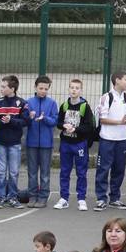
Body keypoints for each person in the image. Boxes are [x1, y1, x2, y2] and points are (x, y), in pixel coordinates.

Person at [55, 77, 97, 211]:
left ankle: (81, 198)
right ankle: (64, 198)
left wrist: (76, 129)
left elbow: (89, 126)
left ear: (81, 90)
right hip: (66, 143)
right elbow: (58, 122)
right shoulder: (64, 106)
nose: (74, 90)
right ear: (68, 89)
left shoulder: (85, 107)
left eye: (77, 88)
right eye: (72, 87)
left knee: (81, 172)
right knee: (65, 171)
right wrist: (64, 126)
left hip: (79, 144)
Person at [94, 71, 126, 210]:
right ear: (117, 80)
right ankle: (101, 198)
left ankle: (115, 198)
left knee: (119, 169)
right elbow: (102, 119)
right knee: (103, 168)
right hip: (107, 139)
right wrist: (118, 122)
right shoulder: (106, 97)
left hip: (122, 139)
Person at [0, 74, 26, 207]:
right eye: (1, 86)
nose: (1, 89)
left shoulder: (21, 103)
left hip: (15, 143)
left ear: (12, 88)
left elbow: (25, 121)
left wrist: (12, 121)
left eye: (4, 87)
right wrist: (1, 122)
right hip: (1, 143)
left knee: (14, 171)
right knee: (1, 171)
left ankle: (13, 197)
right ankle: (0, 197)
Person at [24, 75, 58, 207]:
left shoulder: (52, 103)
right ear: (35, 87)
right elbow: (25, 119)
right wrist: (29, 116)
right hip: (31, 142)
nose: (43, 91)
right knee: (32, 172)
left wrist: (45, 118)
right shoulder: (29, 102)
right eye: (40, 88)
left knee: (44, 172)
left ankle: (43, 196)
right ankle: (32, 196)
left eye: (45, 88)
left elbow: (54, 121)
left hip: (46, 143)